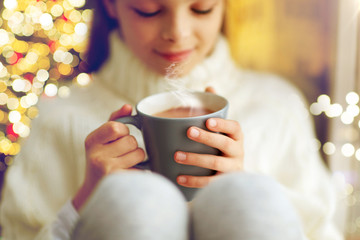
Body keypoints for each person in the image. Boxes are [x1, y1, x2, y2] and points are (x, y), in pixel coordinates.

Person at [0, 0, 344, 239]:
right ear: (111, 5)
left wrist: (247, 193)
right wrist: (85, 203)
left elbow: (323, 232)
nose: (177, 32)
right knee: (134, 204)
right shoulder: (60, 118)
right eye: (149, 10)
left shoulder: (276, 105)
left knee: (246, 197)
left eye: (201, 8)